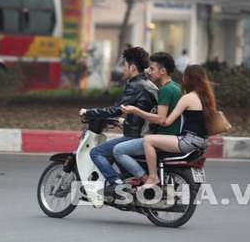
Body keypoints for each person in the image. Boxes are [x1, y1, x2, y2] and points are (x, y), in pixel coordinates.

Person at [79, 46, 158, 195]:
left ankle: (116, 183)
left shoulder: (135, 85)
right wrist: (126, 122)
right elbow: (144, 110)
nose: (122, 68)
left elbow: (115, 109)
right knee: (112, 151)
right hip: (146, 133)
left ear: (133, 67)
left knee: (96, 153)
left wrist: (88, 112)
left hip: (135, 137)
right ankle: (128, 179)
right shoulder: (150, 85)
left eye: (124, 65)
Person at [122, 64, 216, 188]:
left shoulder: (187, 98)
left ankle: (152, 177)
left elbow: (166, 121)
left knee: (148, 140)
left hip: (188, 141)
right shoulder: (206, 98)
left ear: (187, 79)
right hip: (202, 141)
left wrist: (137, 111)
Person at [112, 52, 182, 185]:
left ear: (162, 71)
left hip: (163, 137)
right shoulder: (176, 87)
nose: (149, 72)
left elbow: (161, 119)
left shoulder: (165, 90)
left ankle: (146, 179)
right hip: (173, 136)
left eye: (152, 69)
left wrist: (136, 110)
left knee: (118, 150)